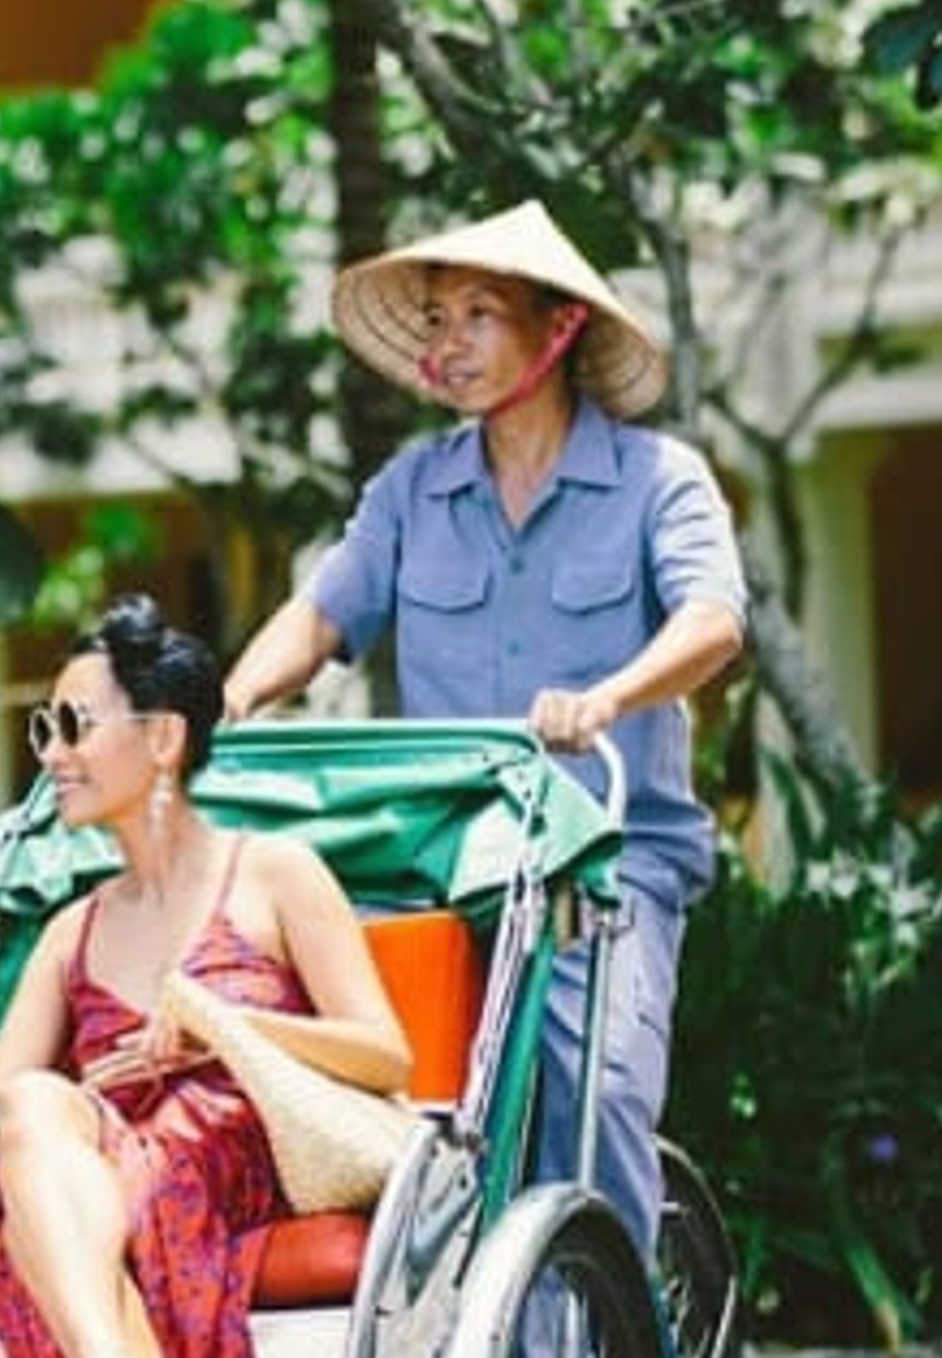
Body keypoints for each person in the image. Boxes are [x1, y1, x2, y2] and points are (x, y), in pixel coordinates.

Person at [222, 200, 746, 1249]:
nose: (446, 342)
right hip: (449, 861)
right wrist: (229, 704)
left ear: (557, 330)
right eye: (434, 319)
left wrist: (610, 696)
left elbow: (714, 619)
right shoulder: (414, 490)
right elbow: (326, 613)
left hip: (609, 861)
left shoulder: (656, 478)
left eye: (476, 314)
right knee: (416, 1111)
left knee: (594, 1103)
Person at [0, 597, 409, 1358]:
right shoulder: (68, 929)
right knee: (34, 1108)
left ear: (161, 738)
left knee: (71, 1186)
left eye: (75, 725)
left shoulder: (276, 876)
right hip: (112, 1166)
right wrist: (86, 1097)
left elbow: (385, 1053)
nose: (51, 753)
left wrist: (224, 1028)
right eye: (44, 728)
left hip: (239, 1156)